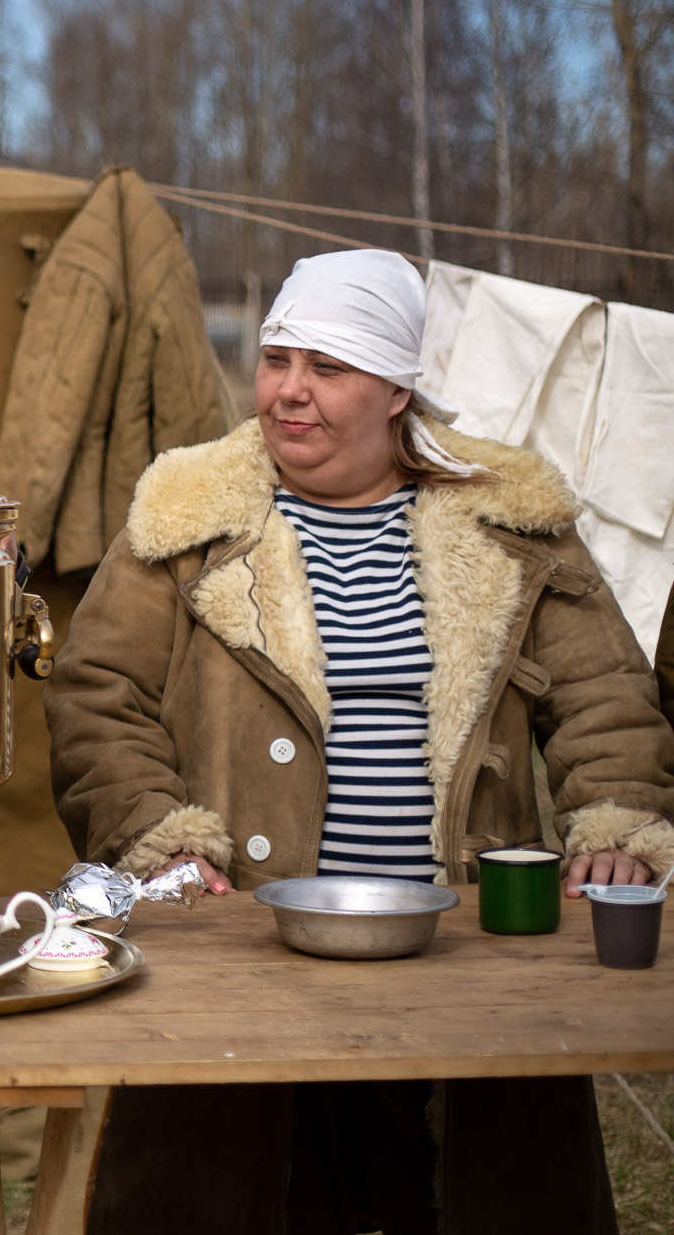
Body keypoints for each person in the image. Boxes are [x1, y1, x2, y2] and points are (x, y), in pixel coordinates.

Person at [45, 249, 674, 1234]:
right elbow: (96, 699)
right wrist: (154, 828)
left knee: (475, 1198)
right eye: (275, 359)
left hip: (462, 959)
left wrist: (615, 820)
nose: (287, 392)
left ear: (393, 389)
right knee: (229, 1195)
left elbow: (604, 697)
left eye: (325, 368)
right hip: (244, 953)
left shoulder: (514, 523)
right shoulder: (186, 518)